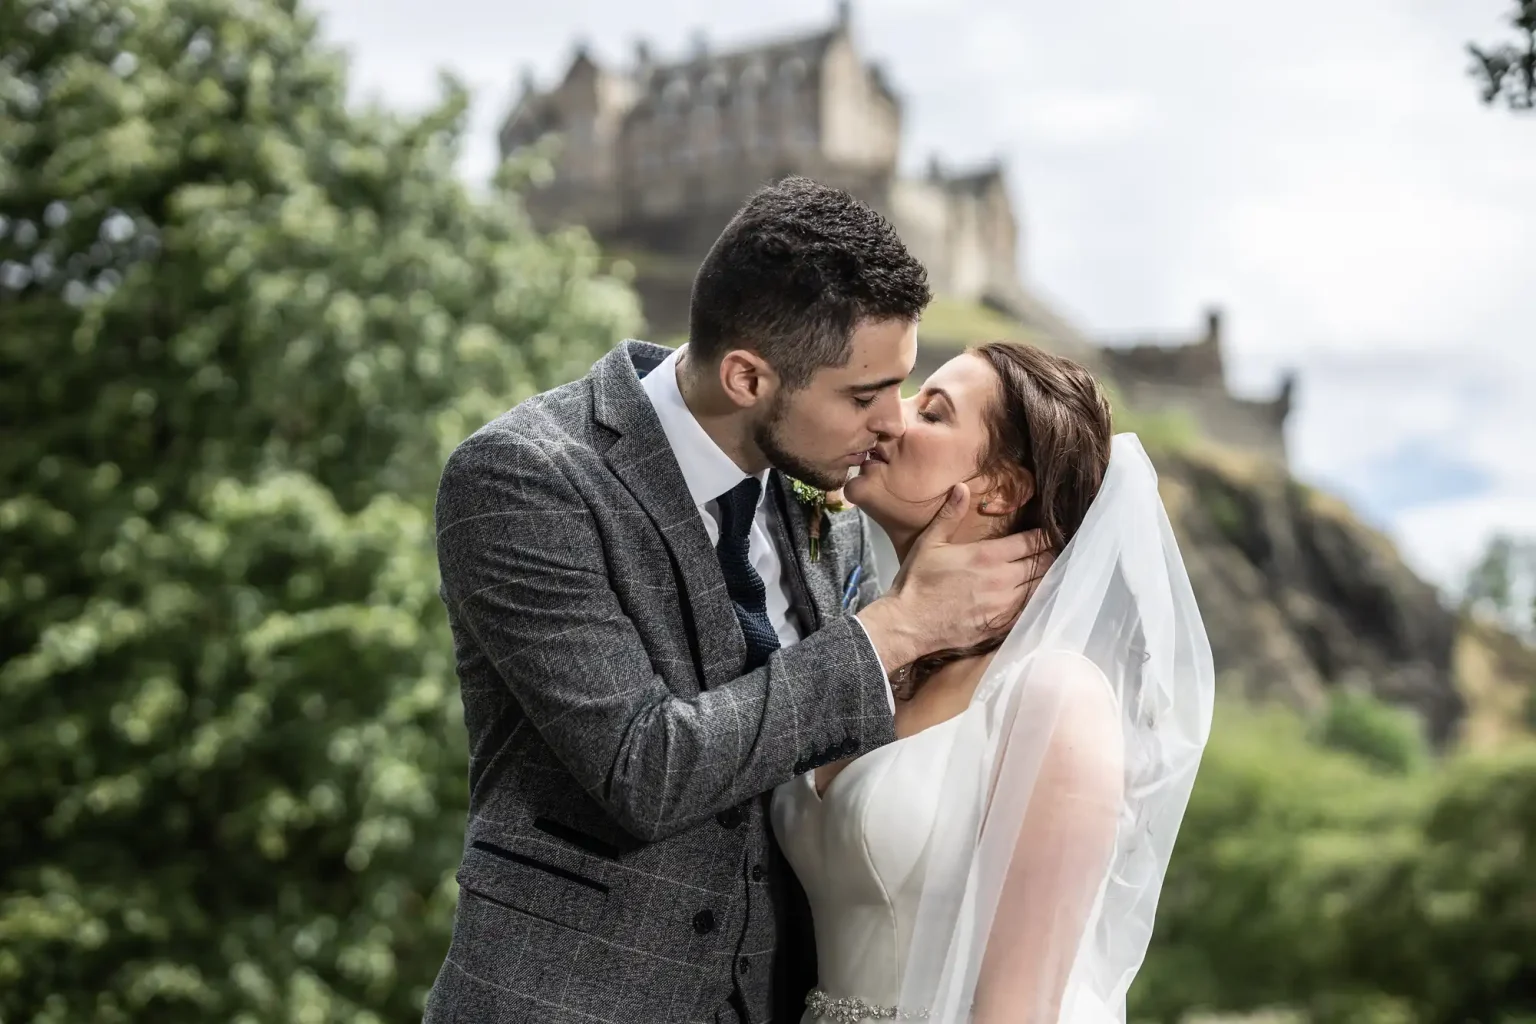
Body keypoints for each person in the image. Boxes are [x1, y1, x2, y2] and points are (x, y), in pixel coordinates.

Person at [423, 177, 1055, 1024]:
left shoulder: (813, 490)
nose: (892, 424)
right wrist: (893, 631)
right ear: (749, 377)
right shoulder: (525, 479)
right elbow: (644, 768)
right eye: (865, 396)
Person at [772, 342, 1215, 1022]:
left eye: (933, 410)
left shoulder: (1054, 699)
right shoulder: (866, 654)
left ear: (1002, 489)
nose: (893, 417)